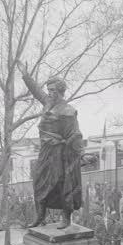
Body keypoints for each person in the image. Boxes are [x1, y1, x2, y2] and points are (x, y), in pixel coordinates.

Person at [18, 62, 84, 229]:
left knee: (62, 183)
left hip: (60, 154)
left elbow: (75, 135)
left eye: (53, 90)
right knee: (39, 182)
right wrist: (26, 76)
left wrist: (81, 154)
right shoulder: (48, 103)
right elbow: (37, 91)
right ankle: (40, 215)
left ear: (61, 91)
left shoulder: (68, 111)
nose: (49, 93)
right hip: (46, 152)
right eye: (49, 90)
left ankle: (66, 217)